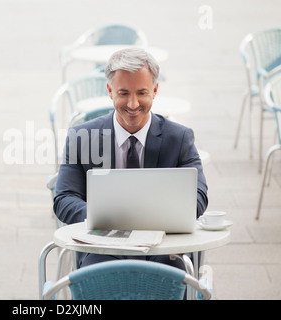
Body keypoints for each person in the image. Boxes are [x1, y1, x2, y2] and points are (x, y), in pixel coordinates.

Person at [53, 47, 208, 269]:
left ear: (155, 90)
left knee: (172, 271)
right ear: (110, 91)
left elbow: (199, 197)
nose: (133, 104)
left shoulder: (180, 138)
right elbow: (64, 199)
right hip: (103, 248)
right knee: (97, 272)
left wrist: (148, 220)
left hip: (164, 249)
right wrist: (103, 218)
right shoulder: (82, 138)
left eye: (142, 93)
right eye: (124, 93)